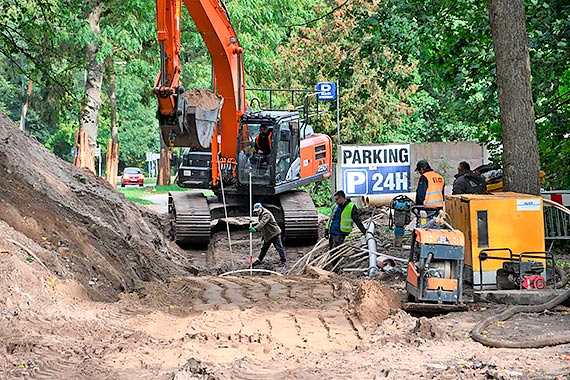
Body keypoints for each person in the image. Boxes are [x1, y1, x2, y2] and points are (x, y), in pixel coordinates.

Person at [249, 203, 287, 267]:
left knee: (279, 248)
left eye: (258, 211)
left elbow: (262, 222)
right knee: (264, 248)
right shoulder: (261, 214)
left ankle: (283, 261)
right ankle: (259, 259)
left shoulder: (266, 214)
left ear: (261, 208)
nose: (257, 212)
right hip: (268, 235)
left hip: (274, 234)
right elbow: (261, 222)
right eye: (256, 211)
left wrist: (255, 228)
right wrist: (252, 222)